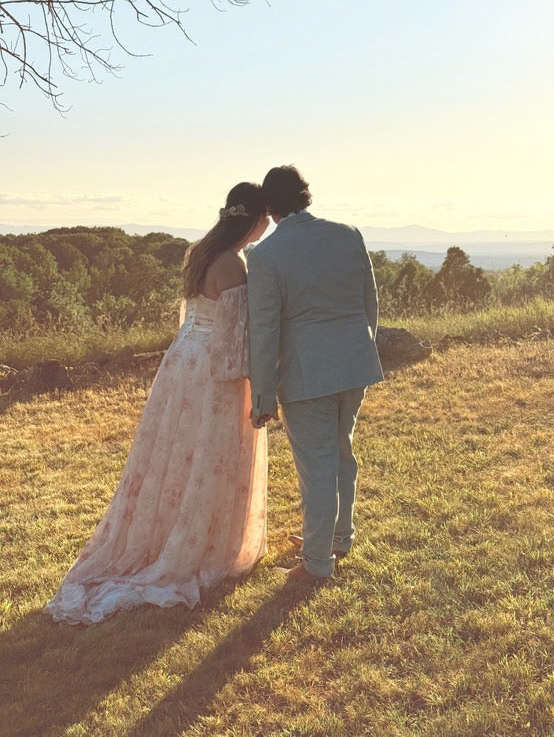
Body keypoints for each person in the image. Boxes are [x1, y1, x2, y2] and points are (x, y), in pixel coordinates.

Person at [46, 183, 269, 624]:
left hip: (182, 361)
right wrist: (258, 385)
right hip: (211, 369)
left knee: (175, 452)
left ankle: (164, 528)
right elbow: (237, 339)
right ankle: (199, 541)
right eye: (264, 217)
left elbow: (191, 320)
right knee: (211, 453)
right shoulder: (234, 264)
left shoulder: (200, 252)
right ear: (253, 219)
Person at [247, 165, 383, 583]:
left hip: (306, 375)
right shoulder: (348, 233)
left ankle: (317, 562)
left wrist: (263, 396)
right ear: (306, 196)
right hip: (355, 363)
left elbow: (265, 330)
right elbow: (369, 303)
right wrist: (361, 349)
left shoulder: (265, 255)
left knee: (317, 468)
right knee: (342, 453)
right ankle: (339, 538)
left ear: (269, 209)